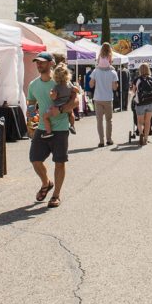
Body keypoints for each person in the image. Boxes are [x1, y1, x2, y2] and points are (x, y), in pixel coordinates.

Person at [28, 52, 79, 208]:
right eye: (37, 62)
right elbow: (31, 104)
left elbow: (75, 101)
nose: (39, 65)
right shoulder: (33, 85)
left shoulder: (61, 81)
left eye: (42, 62)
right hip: (42, 127)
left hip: (61, 128)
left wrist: (62, 109)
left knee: (59, 162)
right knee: (35, 160)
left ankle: (56, 195)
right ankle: (46, 183)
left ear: (51, 64)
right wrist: (29, 119)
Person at [89, 61, 118, 147]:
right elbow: (114, 87)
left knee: (99, 121)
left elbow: (91, 85)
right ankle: (109, 140)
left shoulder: (95, 71)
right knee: (109, 120)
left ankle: (101, 141)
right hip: (108, 98)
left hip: (98, 98)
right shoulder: (113, 72)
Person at [130, 63, 152, 147]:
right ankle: (146, 139)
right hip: (150, 103)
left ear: (140, 70)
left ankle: (141, 134)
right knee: (147, 121)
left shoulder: (137, 79)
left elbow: (134, 91)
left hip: (140, 103)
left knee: (140, 122)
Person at [44, 63, 73, 138]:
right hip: (67, 105)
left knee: (45, 117)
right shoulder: (69, 84)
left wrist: (51, 93)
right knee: (71, 114)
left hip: (57, 107)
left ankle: (48, 132)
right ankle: (72, 125)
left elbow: (53, 97)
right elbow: (75, 90)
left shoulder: (56, 87)